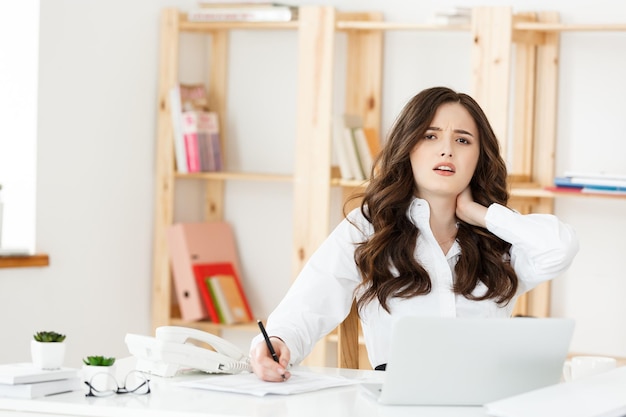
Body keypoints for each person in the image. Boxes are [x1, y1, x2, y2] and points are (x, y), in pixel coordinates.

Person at [249, 86, 579, 382]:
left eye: (462, 140)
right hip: (398, 398)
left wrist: (480, 214)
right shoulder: (369, 226)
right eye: (430, 136)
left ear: (479, 158)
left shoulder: (500, 236)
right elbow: (309, 303)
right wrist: (278, 341)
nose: (447, 150)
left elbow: (560, 248)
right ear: (408, 146)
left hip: (485, 396)